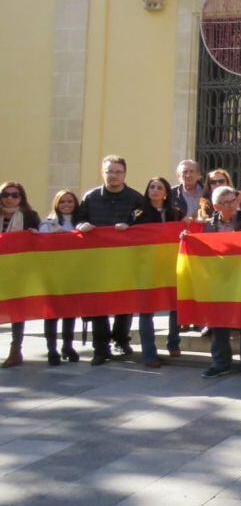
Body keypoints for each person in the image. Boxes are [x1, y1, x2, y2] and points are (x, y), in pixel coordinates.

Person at [77, 155, 144, 365]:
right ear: (102, 172)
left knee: (126, 302)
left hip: (126, 260)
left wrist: (131, 228)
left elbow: (144, 225)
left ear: (124, 174)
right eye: (109, 171)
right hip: (97, 261)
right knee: (99, 304)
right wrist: (81, 225)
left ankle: (121, 340)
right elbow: (79, 218)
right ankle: (100, 348)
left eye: (118, 172)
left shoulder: (136, 198)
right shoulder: (90, 197)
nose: (113, 175)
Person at [198, 186, 241, 380]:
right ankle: (220, 363)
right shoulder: (210, 225)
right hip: (220, 280)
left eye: (234, 200)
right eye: (227, 202)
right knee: (218, 320)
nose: (233, 205)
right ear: (217, 206)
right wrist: (188, 241)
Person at [130, 177, 185, 368]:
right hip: (148, 268)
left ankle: (174, 343)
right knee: (146, 310)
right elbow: (131, 239)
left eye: (159, 187)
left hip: (171, 265)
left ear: (166, 193)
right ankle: (149, 354)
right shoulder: (138, 214)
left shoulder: (176, 213)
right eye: (151, 187)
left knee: (175, 305)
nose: (154, 190)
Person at [38, 190, 81, 365]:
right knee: (51, 314)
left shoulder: (81, 222)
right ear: (56, 203)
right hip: (52, 275)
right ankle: (51, 349)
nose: (66, 204)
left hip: (72, 274)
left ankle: (67, 346)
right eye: (62, 201)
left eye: (70, 201)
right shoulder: (47, 224)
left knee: (69, 314)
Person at [1, 182, 41, 368]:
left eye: (14, 195)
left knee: (17, 311)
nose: (9, 198)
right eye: (5, 194)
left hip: (18, 271)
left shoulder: (29, 216)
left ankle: (15, 350)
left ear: (21, 197)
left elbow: (41, 240)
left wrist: (35, 234)